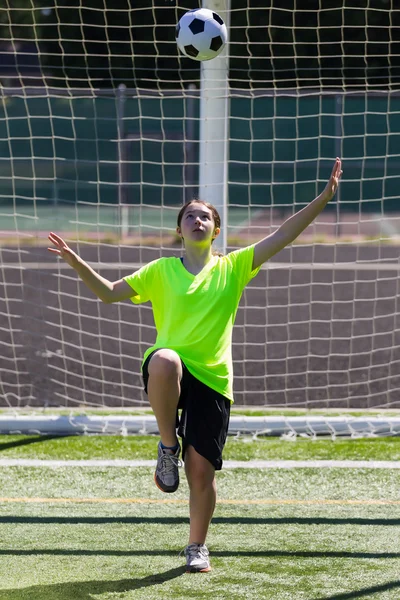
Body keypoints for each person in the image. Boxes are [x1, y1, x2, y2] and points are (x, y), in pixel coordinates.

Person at [48, 157, 342, 573]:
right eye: (189, 215)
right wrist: (75, 261)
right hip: (169, 374)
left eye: (205, 216)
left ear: (216, 229)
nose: (197, 220)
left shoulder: (234, 267)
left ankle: (196, 546)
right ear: (179, 229)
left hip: (214, 378)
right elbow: (109, 294)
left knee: (201, 473)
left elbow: (284, 234)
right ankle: (168, 445)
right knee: (166, 359)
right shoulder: (162, 270)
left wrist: (324, 198)